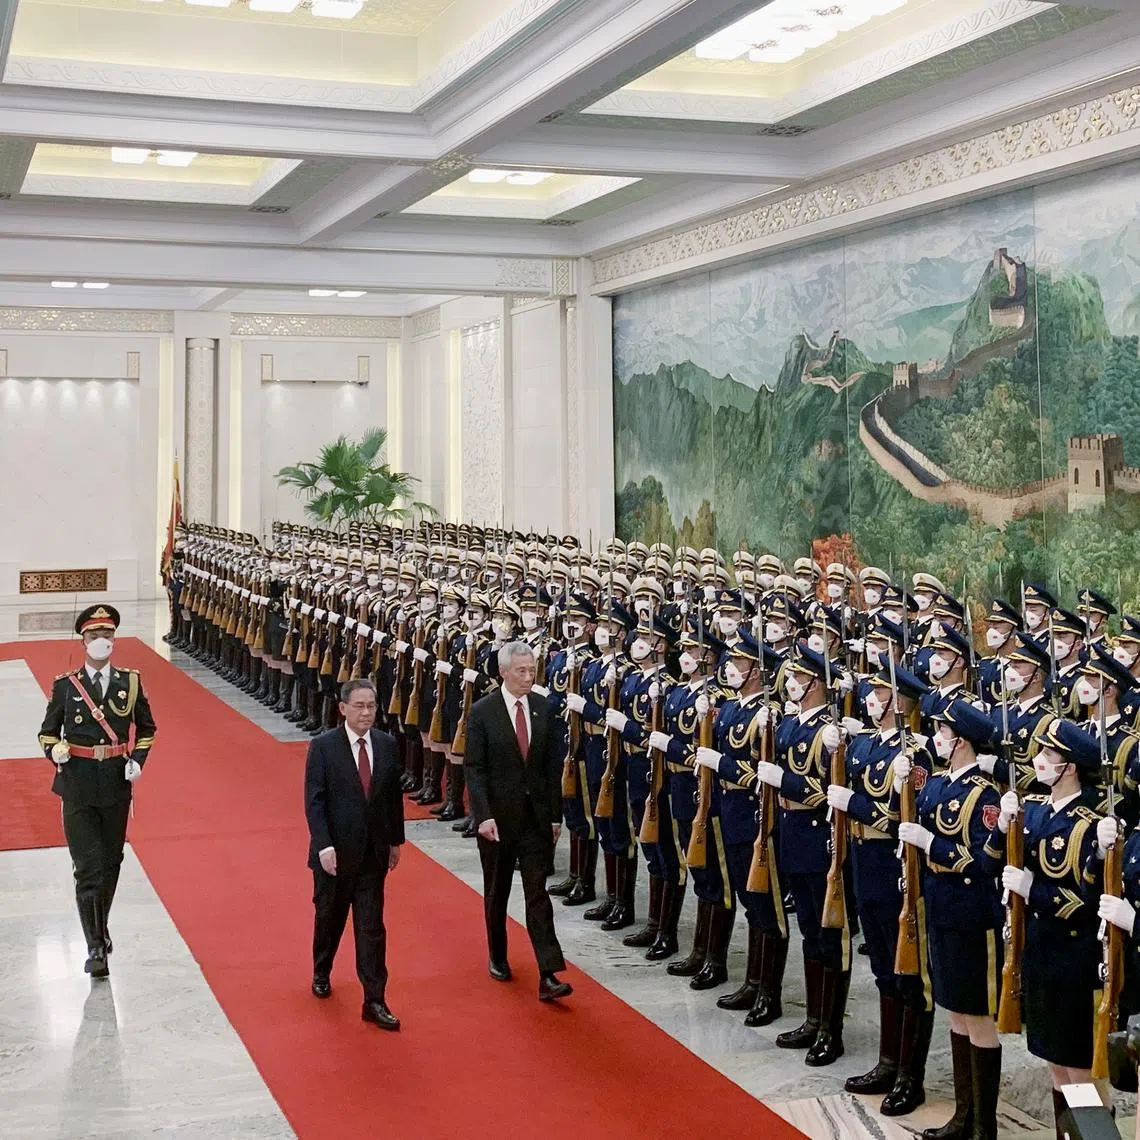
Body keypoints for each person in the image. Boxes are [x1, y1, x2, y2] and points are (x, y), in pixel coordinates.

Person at [38, 604, 157, 978]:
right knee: (87, 869)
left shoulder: (130, 682)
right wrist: (54, 751)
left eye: (107, 635)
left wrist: (139, 759)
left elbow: (147, 728)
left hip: (116, 785)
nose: (101, 641)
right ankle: (95, 946)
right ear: (83, 641)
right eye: (94, 636)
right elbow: (47, 732)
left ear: (114, 640)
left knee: (110, 863)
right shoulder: (66, 686)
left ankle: (99, 927)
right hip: (77, 784)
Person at [464, 640, 573, 1002]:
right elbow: (474, 769)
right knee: (497, 892)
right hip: (497, 820)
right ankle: (497, 954)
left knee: (537, 894)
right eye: (521, 671)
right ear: (503, 672)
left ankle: (548, 972)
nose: (529, 677)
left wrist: (555, 816)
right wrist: (483, 816)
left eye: (532, 670)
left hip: (535, 820)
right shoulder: (483, 711)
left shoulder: (544, 708)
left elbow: (552, 768)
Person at [304, 678, 405, 1031]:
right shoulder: (323, 747)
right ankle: (322, 969)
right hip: (334, 856)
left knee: (371, 928)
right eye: (359, 706)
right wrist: (324, 846)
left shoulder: (387, 745)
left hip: (372, 855)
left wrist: (395, 841)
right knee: (329, 920)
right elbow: (314, 801)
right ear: (343, 708)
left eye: (371, 706)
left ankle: (374, 999)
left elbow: (392, 798)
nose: (366, 713)